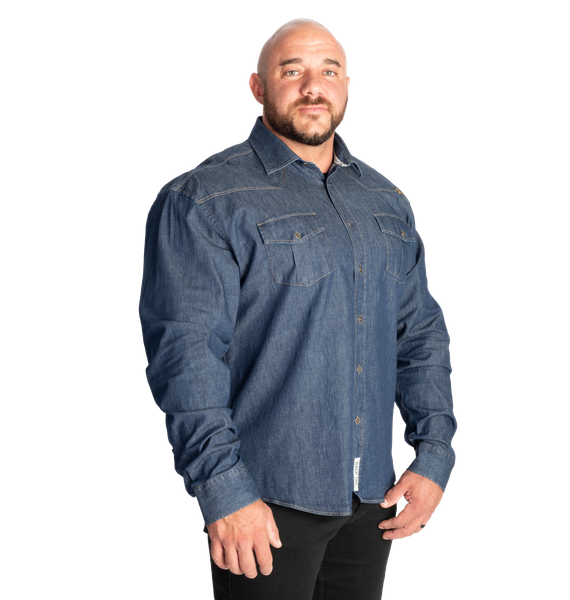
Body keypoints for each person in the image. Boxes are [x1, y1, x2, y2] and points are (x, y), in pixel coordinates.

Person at [139, 16, 457, 600]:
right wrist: (224, 490)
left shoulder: (385, 198)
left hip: (373, 499)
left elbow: (420, 333)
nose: (313, 86)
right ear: (256, 86)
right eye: (292, 71)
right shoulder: (204, 197)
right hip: (265, 503)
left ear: (347, 86)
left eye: (329, 71)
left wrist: (434, 454)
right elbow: (185, 355)